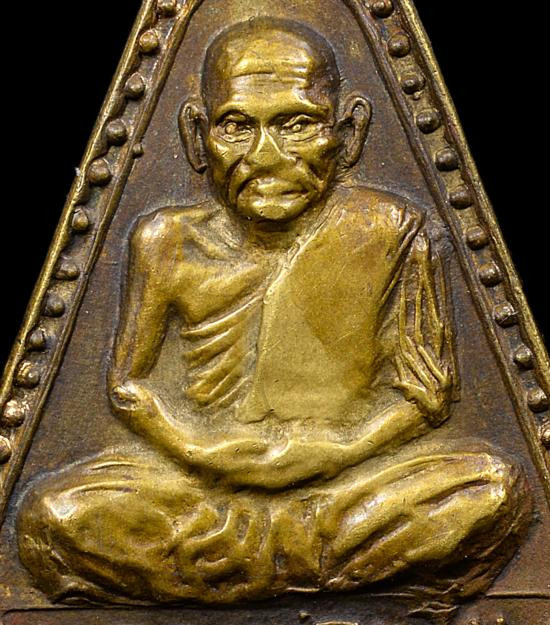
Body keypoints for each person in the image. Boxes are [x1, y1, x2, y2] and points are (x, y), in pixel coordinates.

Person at [18, 18, 531, 623]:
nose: (267, 157)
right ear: (196, 136)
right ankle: (315, 568)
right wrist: (204, 451)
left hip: (345, 484)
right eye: (238, 126)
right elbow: (129, 386)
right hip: (204, 489)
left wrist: (335, 450)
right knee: (53, 516)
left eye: (297, 124)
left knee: (492, 489)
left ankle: (232, 572)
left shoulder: (391, 229)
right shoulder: (165, 241)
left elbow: (427, 395)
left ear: (349, 132)